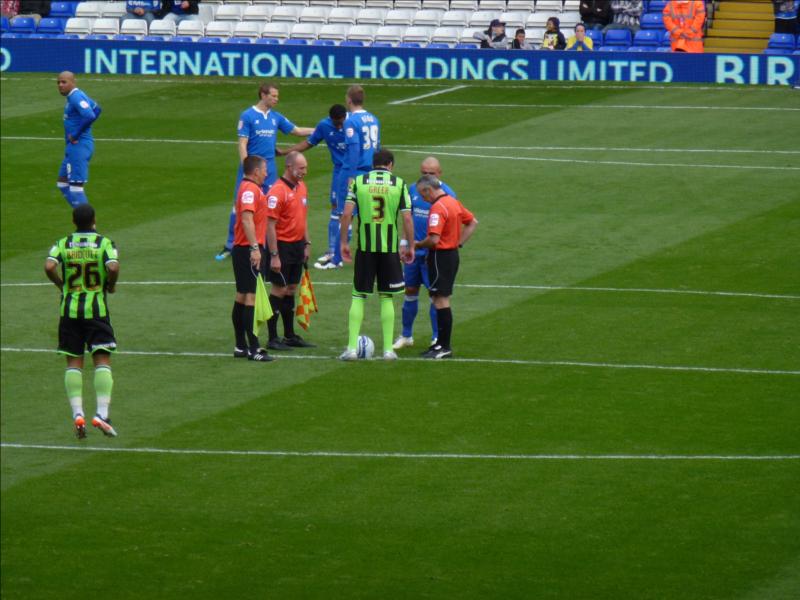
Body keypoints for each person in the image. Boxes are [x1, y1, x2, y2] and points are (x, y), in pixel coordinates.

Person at [44, 204, 119, 438]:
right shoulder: (104, 243)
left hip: (69, 311)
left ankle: (78, 414)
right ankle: (101, 413)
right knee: (102, 359)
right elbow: (113, 266)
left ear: (73, 221)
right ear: (94, 220)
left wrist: (60, 284)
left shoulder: (63, 243)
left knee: (73, 363)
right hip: (96, 311)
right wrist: (111, 284)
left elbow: (49, 265)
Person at [215, 82, 313, 261]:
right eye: (274, 96)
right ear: (263, 95)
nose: (277, 99)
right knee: (240, 207)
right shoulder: (248, 115)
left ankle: (266, 244)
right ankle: (231, 245)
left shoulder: (275, 117)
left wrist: (320, 130)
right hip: (251, 170)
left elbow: (297, 131)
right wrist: (247, 168)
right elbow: (242, 144)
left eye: (277, 96)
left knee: (270, 208)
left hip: (269, 170)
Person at [338, 149, 414, 361]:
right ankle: (388, 350)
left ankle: (352, 349)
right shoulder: (399, 183)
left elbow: (346, 214)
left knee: (358, 296)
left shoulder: (358, 182)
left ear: (373, 164)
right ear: (390, 164)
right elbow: (407, 218)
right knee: (386, 297)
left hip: (365, 248)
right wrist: (411, 246)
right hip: (389, 249)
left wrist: (344, 242)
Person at [393, 156, 457, 350]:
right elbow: (408, 217)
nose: (427, 177)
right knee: (410, 291)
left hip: (433, 255)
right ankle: (406, 335)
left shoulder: (448, 195)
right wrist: (404, 242)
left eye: (431, 173)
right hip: (414, 252)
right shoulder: (414, 189)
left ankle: (437, 337)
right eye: (424, 173)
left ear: (440, 173)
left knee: (435, 296)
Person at [414, 176, 478, 360]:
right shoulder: (453, 202)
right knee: (438, 298)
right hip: (450, 256)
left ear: (428, 190)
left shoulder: (437, 208)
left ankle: (444, 346)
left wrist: (417, 245)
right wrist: (458, 244)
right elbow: (473, 222)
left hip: (439, 257)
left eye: (422, 194)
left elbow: (433, 239)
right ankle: (440, 344)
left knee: (441, 300)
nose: (423, 199)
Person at [279, 104, 350, 271]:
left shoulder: (354, 123)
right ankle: (333, 251)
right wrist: (285, 152)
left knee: (352, 210)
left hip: (355, 171)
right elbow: (308, 143)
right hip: (339, 172)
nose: (339, 126)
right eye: (336, 123)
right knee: (337, 208)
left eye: (341, 122)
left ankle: (348, 252)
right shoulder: (324, 125)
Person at [265, 151, 315, 351]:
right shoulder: (277, 192)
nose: (305, 171)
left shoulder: (302, 187)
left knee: (292, 289)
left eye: (305, 167)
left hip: (297, 246)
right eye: (301, 168)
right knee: (279, 290)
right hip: (282, 246)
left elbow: (302, 218)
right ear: (289, 167)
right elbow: (269, 225)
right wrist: (274, 255)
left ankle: (289, 335)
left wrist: (307, 243)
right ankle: (272, 337)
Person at [230, 155, 273, 362]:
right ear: (256, 171)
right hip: (248, 249)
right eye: (264, 169)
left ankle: (240, 346)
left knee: (241, 296)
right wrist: (255, 248)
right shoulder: (250, 190)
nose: (267, 172)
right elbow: (247, 220)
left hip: (243, 248)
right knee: (250, 298)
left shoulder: (249, 188)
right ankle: (254, 349)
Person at [56, 71, 101, 209]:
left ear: (73, 82)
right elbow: (97, 109)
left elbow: (89, 115)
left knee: (75, 187)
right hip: (73, 147)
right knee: (62, 183)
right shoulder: (75, 96)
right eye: (58, 82)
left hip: (79, 146)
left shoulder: (75, 97)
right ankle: (83, 220)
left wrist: (76, 134)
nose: (60, 85)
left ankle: (89, 227)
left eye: (64, 82)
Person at [342, 84, 380, 189]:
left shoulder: (350, 121)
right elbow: (378, 148)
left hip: (355, 170)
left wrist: (351, 176)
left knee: (345, 205)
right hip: (371, 173)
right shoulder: (374, 119)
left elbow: (354, 149)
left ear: (349, 100)